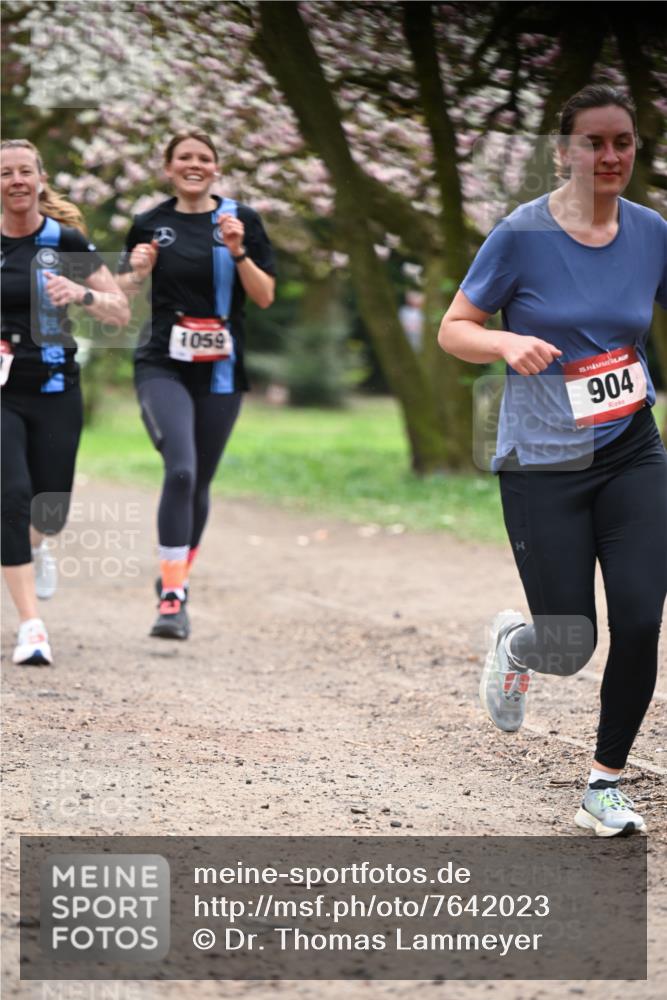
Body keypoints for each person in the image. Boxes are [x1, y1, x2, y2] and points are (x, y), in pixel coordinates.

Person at [438, 85, 667, 837]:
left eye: (622, 143)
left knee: (639, 618)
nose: (609, 156)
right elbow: (454, 328)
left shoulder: (650, 232)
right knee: (570, 645)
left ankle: (603, 785)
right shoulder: (521, 235)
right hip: (543, 461)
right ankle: (519, 643)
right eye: (593, 142)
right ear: (563, 150)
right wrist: (503, 342)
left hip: (631, 447)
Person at [117, 130, 275, 640]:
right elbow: (119, 295)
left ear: (216, 167)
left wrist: (238, 253)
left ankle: (178, 577)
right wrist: (136, 272)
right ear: (168, 168)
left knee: (200, 480)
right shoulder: (150, 223)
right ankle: (171, 596)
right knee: (180, 471)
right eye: (184, 157)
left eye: (204, 158)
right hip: (162, 360)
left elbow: (266, 296)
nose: (194, 164)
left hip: (222, 367)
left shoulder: (241, 220)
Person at [1, 139, 130, 665]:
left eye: (24, 171)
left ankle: (37, 545)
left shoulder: (66, 240)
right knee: (10, 495)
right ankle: (31, 626)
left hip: (56, 387)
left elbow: (120, 312)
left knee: (49, 507)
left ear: (40, 178)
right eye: (5, 172)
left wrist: (82, 295)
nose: (15, 180)